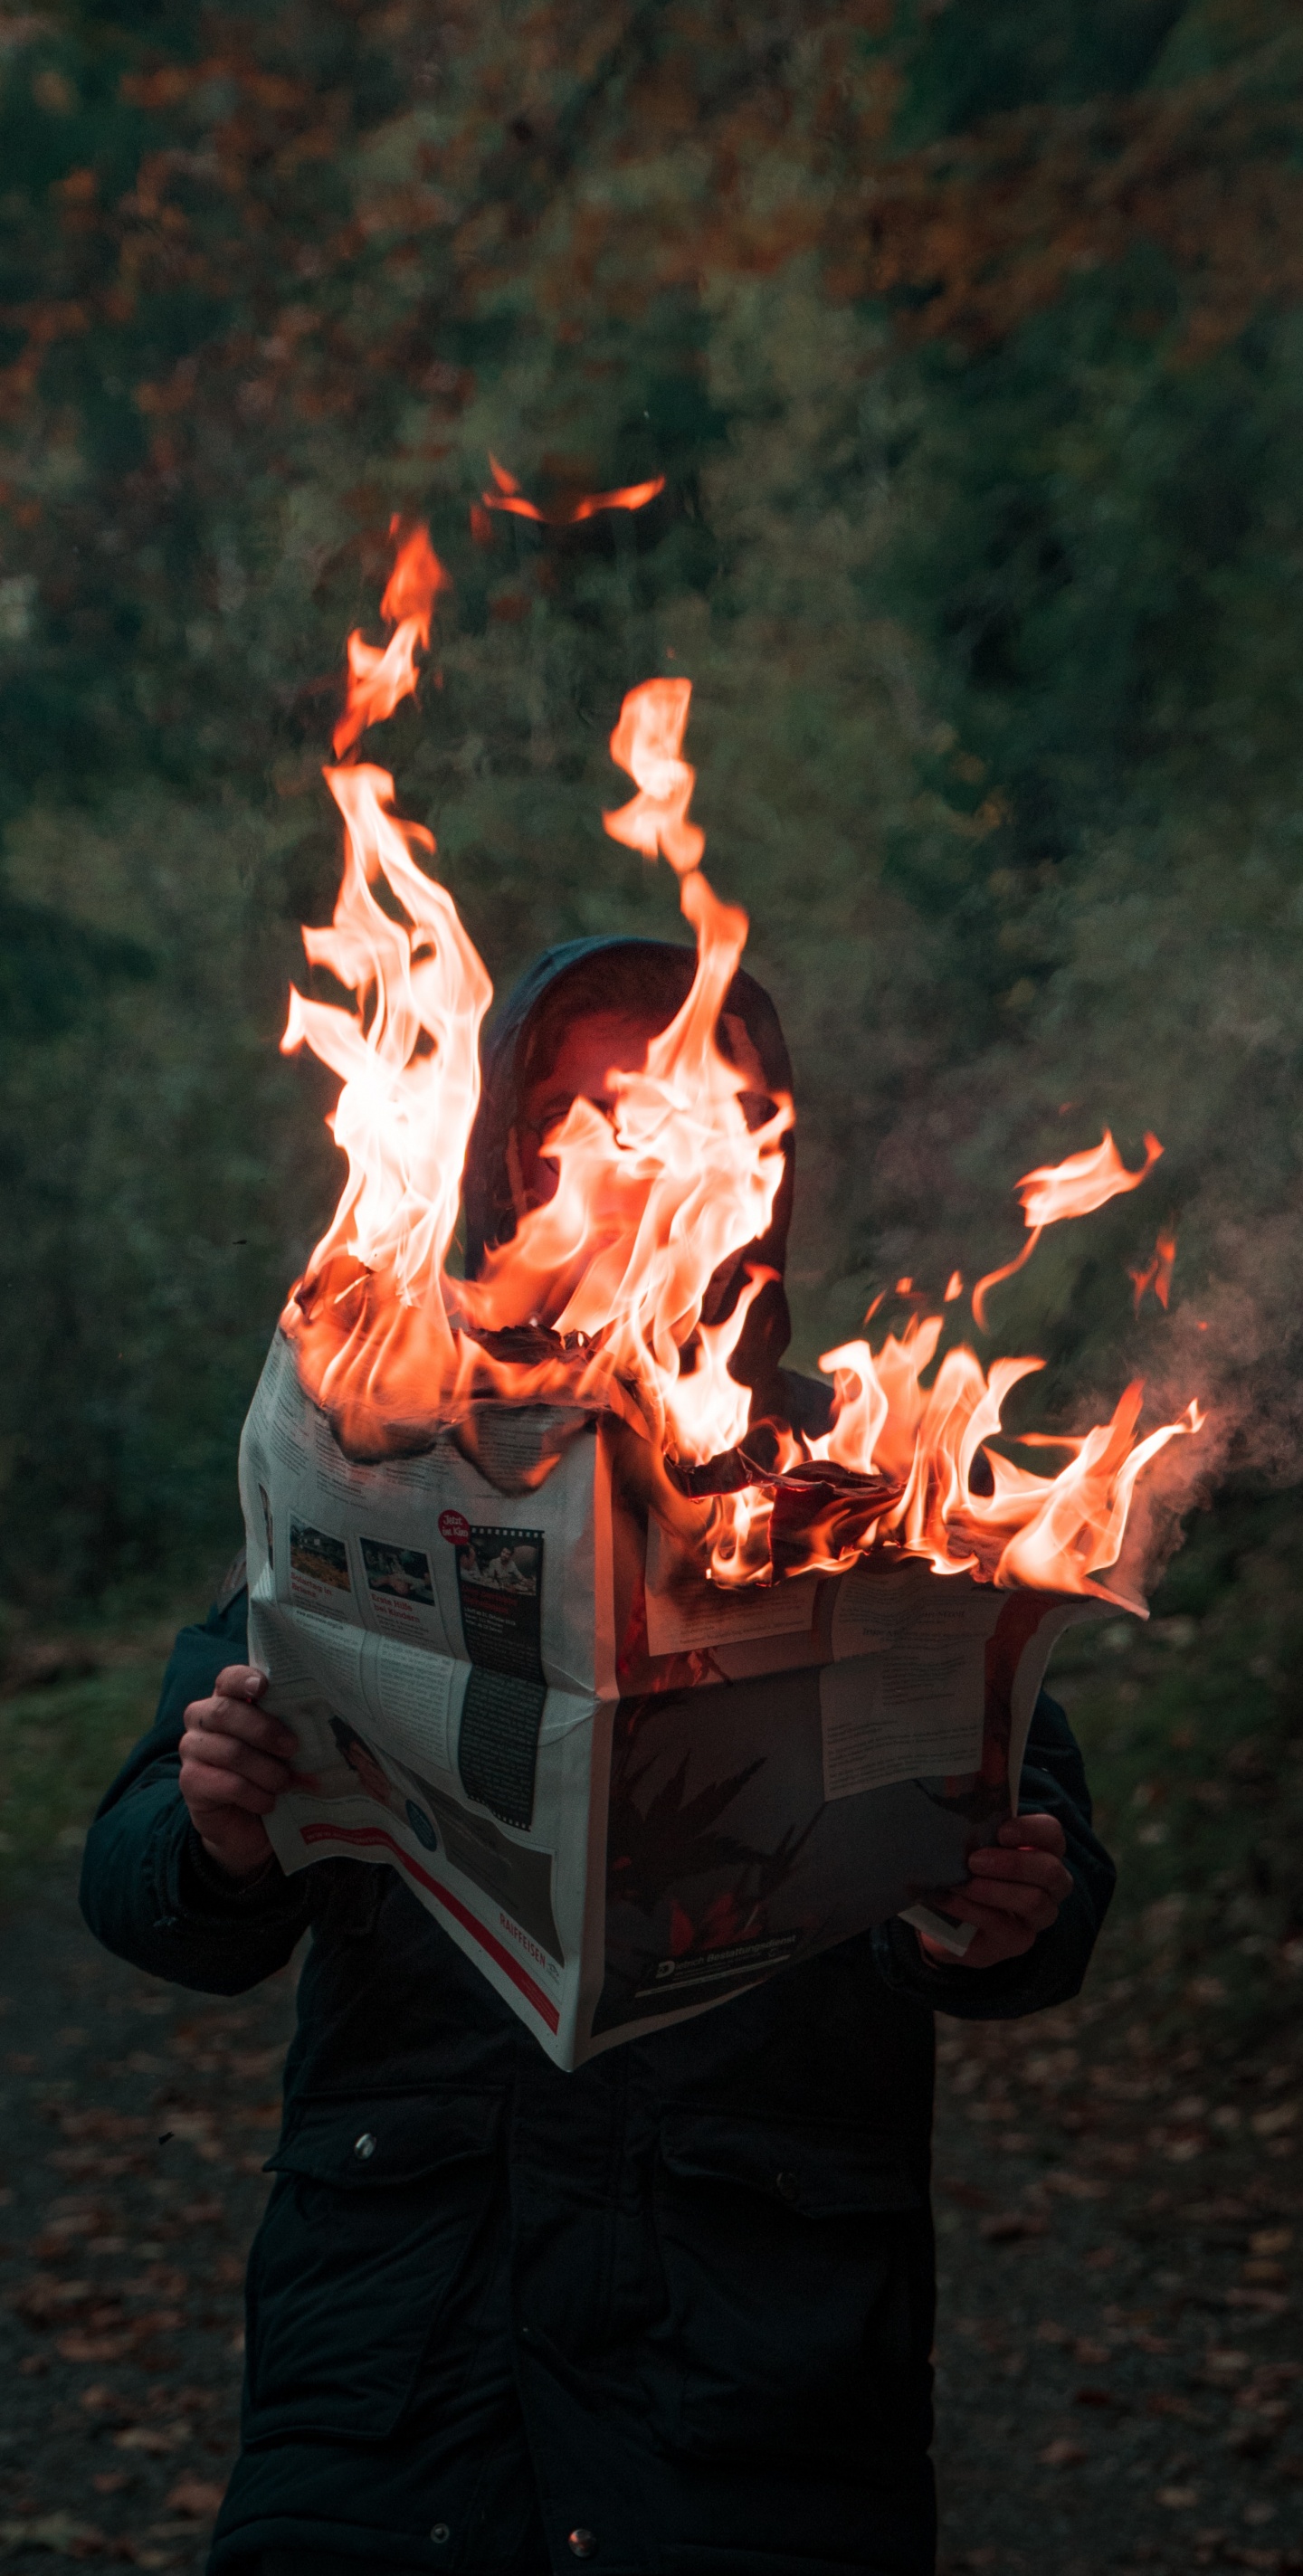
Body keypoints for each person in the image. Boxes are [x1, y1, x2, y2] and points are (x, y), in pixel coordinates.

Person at [81, 937, 1115, 2576]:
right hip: (402, 2376)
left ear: (753, 1157)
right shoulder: (378, 1443)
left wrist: (1006, 1908)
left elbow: (1036, 1863)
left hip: (756, 2388)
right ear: (500, 1154)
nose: (607, 1165)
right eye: (567, 1118)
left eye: (661, 1117)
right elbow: (134, 1882)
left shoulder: (863, 1482)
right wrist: (209, 1829)